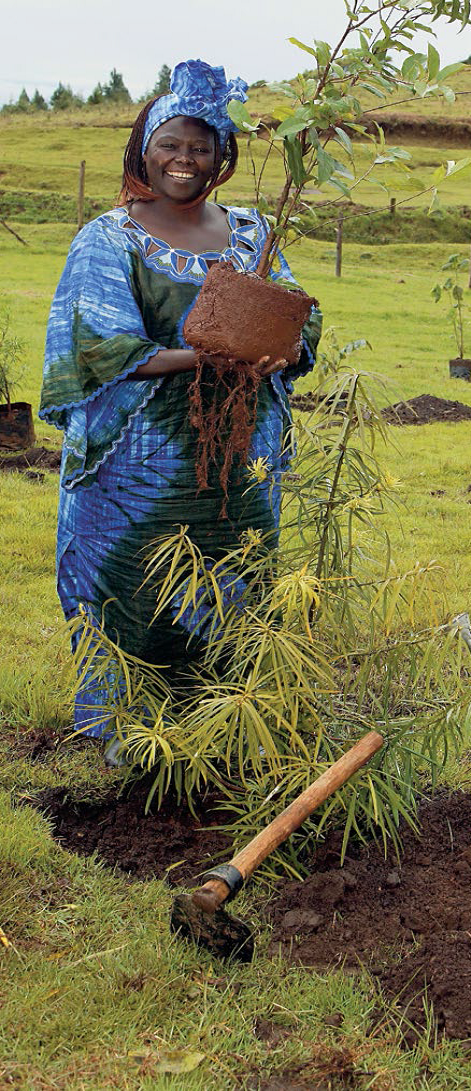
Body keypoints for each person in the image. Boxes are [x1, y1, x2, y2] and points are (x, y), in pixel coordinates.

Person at [40, 60, 322, 763]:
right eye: (171, 143)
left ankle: (227, 721)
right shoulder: (110, 239)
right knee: (133, 581)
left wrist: (279, 353)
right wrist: (206, 353)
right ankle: (131, 731)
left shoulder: (253, 234)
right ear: (143, 146)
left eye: (200, 147)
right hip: (138, 467)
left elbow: (297, 318)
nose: (184, 160)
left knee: (236, 576)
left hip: (239, 460)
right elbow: (97, 345)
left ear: (221, 156)